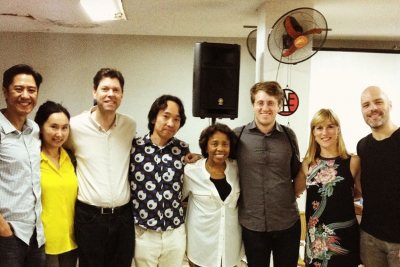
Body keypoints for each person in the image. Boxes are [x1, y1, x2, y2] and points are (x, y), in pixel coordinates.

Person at [66, 68, 136, 267]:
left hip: (123, 217)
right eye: (105, 89)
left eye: (116, 90)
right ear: (94, 92)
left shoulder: (129, 125)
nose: (111, 94)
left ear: (122, 94)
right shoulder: (75, 126)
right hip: (90, 217)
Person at [233, 81, 301, 267]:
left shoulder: (289, 136)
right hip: (252, 225)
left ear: (279, 106)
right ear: (253, 105)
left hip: (287, 223)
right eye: (260, 103)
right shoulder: (237, 136)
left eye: (271, 103)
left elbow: (297, 172)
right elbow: (218, 162)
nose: (265, 108)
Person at [294, 108, 361, 267]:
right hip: (315, 241)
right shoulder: (307, 165)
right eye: (319, 127)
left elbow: (359, 194)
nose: (325, 132)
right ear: (314, 133)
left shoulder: (353, 161)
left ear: (338, 129)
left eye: (330, 126)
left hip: (345, 237)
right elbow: (293, 193)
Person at [129, 94, 190, 267]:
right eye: (166, 116)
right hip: (143, 231)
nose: (171, 123)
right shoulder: (135, 147)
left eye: (177, 119)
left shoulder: (182, 149)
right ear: (154, 116)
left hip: (174, 232)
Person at [0, 64, 45, 267]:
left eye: (31, 90)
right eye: (18, 89)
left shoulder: (34, 129)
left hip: (36, 234)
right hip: (8, 235)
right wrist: (3, 229)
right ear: (5, 92)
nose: (25, 95)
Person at [183, 123, 243, 267]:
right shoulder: (191, 171)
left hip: (230, 246)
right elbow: (176, 200)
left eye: (225, 144)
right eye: (214, 143)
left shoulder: (237, 169)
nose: (220, 149)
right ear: (205, 146)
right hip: (200, 247)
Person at [357, 86, 400, 267]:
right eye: (366, 105)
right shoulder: (363, 146)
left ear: (390, 105)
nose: (372, 108)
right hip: (370, 239)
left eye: (378, 102)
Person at [34, 101, 78, 267]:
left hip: (72, 241)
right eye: (53, 126)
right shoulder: (33, 159)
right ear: (40, 126)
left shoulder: (71, 158)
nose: (59, 133)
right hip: (44, 243)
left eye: (64, 127)